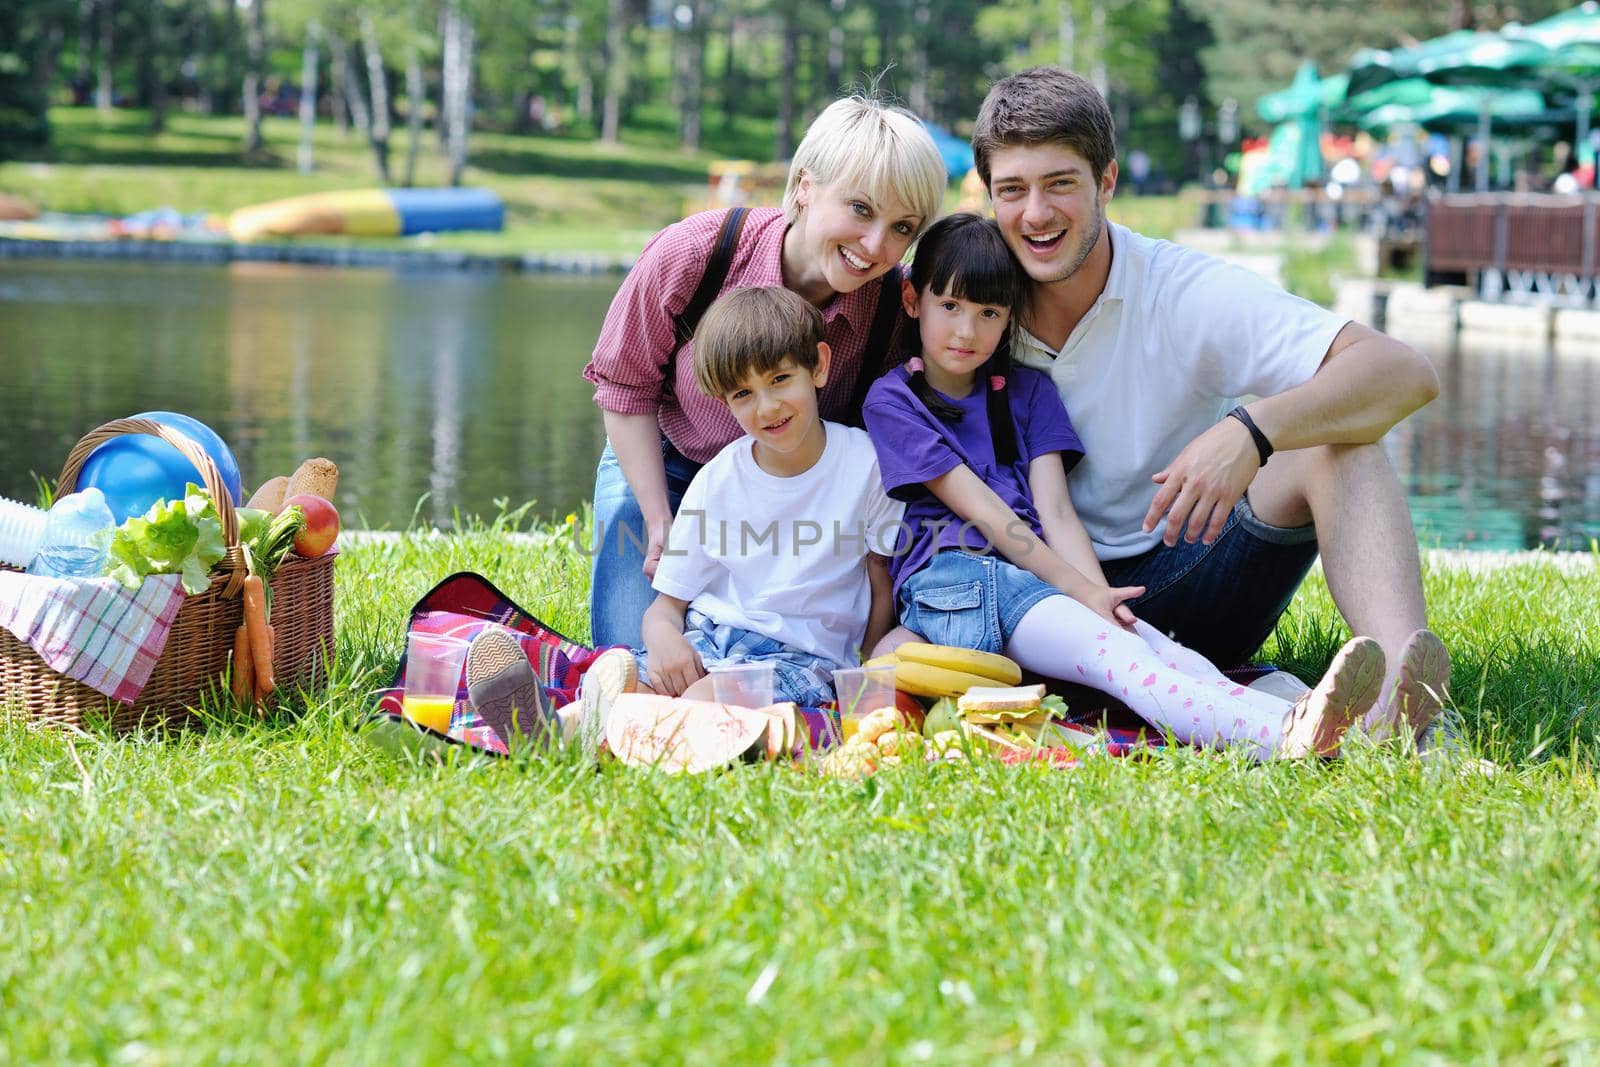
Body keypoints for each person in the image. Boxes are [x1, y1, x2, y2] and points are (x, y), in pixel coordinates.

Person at [965, 67, 1449, 743]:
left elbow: (1404, 373)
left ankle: (1408, 701)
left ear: (1106, 182)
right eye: (1012, 190)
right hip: (1037, 601)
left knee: (1339, 441)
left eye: (1060, 184)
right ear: (989, 196)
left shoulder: (1182, 289)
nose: (1035, 213)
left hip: (1189, 572)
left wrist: (1253, 430)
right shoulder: (965, 302)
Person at [863, 213, 1394, 759]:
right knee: (1122, 661)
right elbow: (991, 515)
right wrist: (1080, 592)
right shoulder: (894, 400)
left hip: (1030, 583)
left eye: (988, 313)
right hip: (957, 580)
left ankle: (1322, 725)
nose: (966, 331)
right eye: (949, 307)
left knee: (1155, 649)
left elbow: (1057, 512)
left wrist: (1100, 598)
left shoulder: (1028, 393)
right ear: (913, 300)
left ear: (1009, 318)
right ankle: (1282, 740)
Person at [583, 95, 946, 651]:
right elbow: (625, 386)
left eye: (902, 227)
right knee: (630, 650)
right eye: (861, 209)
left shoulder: (897, 309)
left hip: (795, 492)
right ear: (804, 184)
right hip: (671, 464)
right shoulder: (696, 253)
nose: (877, 246)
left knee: (772, 649)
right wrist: (660, 521)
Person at [585, 286, 905, 717]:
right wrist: (664, 639)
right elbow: (666, 607)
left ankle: (644, 731)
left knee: (702, 702)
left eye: (779, 380)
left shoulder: (866, 465)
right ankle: (556, 726)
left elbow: (879, 581)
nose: (767, 407)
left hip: (802, 660)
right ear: (724, 403)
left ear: (819, 366)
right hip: (709, 642)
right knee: (621, 689)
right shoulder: (718, 479)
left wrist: (863, 674)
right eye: (743, 394)